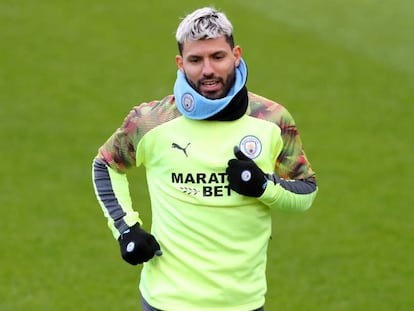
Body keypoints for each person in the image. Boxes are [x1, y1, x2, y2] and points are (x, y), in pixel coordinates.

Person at [92, 6, 318, 311]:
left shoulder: (272, 120)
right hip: (166, 302)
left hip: (242, 303)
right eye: (195, 60)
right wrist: (126, 228)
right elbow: (105, 164)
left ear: (236, 55)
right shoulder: (152, 121)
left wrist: (264, 187)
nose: (207, 70)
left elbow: (306, 191)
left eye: (217, 56)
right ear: (180, 62)